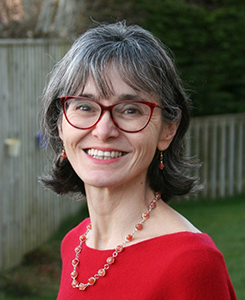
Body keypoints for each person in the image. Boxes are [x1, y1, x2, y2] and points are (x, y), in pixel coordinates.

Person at [40, 21, 236, 299]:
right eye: (84, 106)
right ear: (60, 125)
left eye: (130, 110)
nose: (103, 130)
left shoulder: (191, 262)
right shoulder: (75, 243)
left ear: (168, 129)